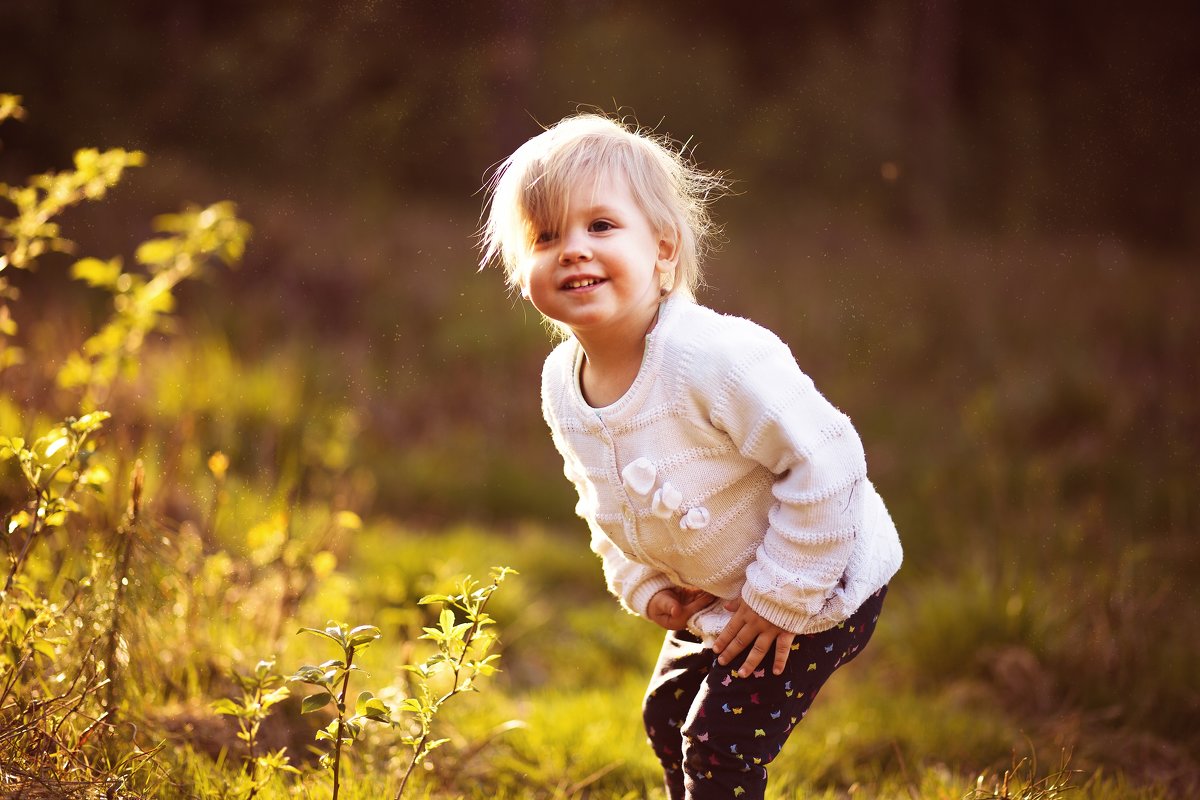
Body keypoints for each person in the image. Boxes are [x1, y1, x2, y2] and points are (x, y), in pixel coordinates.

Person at [478, 113, 903, 800]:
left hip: (822, 581)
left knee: (717, 745)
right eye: (546, 236)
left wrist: (778, 601)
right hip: (721, 594)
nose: (573, 250)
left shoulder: (711, 358)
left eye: (601, 227)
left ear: (664, 251)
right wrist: (644, 585)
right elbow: (601, 496)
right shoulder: (563, 383)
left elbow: (830, 462)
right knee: (668, 715)